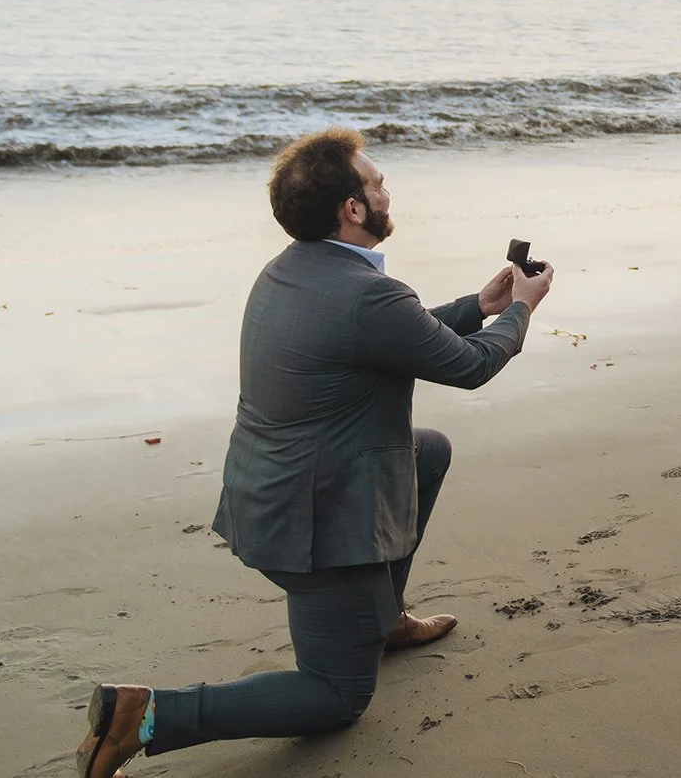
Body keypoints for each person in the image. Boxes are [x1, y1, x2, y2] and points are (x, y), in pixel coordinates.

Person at [75, 127, 555, 778]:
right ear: (352, 208)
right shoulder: (367, 293)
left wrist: (481, 303)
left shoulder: (291, 271)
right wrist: (519, 311)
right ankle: (145, 714)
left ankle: (382, 620)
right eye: (377, 181)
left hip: (269, 495)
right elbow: (468, 367)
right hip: (317, 528)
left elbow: (393, 334)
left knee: (427, 450)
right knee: (336, 695)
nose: (387, 189)